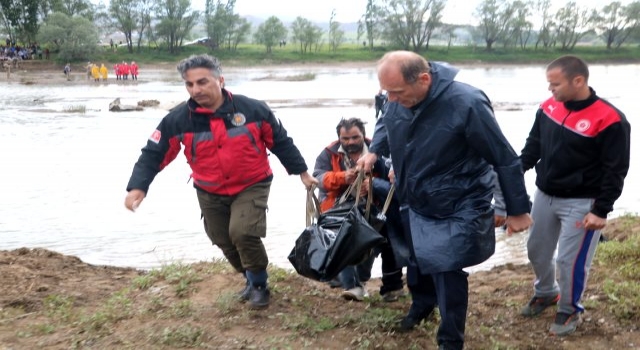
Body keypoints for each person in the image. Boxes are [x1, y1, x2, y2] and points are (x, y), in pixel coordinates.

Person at [357, 51, 532, 350]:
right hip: (414, 194)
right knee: (417, 258)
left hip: (458, 199)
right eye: (387, 92)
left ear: (424, 79)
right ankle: (422, 304)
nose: (391, 99)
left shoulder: (467, 103)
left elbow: (504, 158)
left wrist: (516, 210)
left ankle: (450, 340)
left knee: (447, 268)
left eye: (397, 92)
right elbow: (386, 120)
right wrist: (375, 150)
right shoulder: (397, 98)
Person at [124, 54, 317, 310]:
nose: (196, 89)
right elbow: (154, 153)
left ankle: (259, 284)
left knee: (242, 232)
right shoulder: (177, 119)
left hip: (252, 183)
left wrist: (302, 172)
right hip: (208, 188)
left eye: (202, 82)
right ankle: (249, 277)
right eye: (189, 84)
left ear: (221, 80)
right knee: (221, 237)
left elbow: (280, 141)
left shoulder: (253, 109)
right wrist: (138, 186)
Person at [519, 55, 630, 336]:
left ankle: (569, 309)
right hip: (545, 194)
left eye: (555, 84)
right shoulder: (548, 107)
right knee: (537, 249)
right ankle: (546, 292)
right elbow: (533, 147)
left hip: (583, 202)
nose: (550, 89)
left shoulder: (610, 119)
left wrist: (601, 210)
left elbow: (615, 170)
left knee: (571, 260)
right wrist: (513, 173)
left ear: (578, 81)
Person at [313, 117, 404, 302]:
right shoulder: (328, 153)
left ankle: (392, 287)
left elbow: (396, 178)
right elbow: (318, 178)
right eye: (345, 139)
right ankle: (353, 285)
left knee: (389, 242)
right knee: (343, 241)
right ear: (339, 138)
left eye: (355, 137)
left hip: (378, 206)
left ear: (363, 135)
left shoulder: (379, 150)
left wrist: (373, 185)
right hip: (340, 208)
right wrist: (342, 177)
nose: (351, 142)